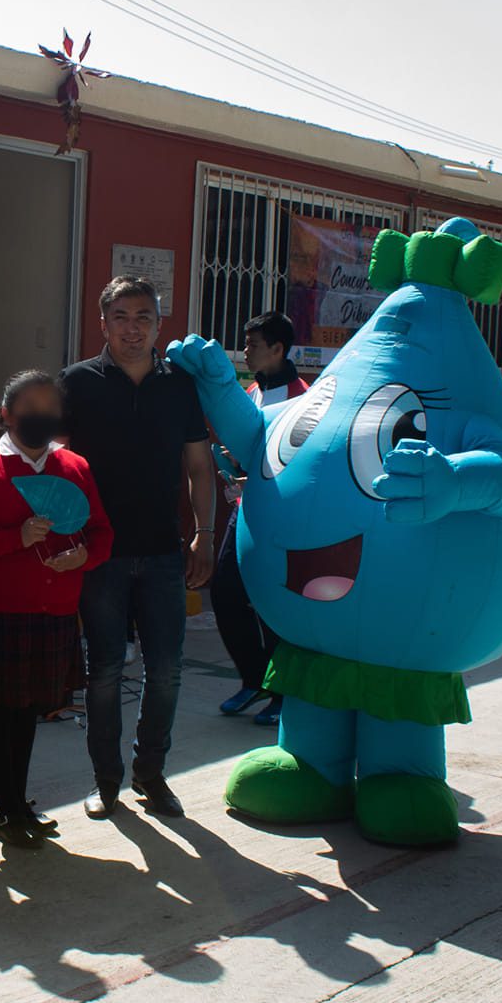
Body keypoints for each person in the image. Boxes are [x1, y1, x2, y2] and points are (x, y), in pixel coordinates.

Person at [62, 277, 215, 820]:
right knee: (103, 669)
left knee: (167, 667)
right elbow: (50, 462)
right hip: (98, 554)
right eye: (122, 316)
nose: (133, 327)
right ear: (103, 323)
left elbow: (199, 467)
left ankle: (151, 774)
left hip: (162, 551)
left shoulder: (179, 386)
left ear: (158, 325)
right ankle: (105, 783)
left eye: (143, 317)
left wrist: (203, 533)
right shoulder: (75, 383)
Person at [0, 370, 112, 847]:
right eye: (29, 408)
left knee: (29, 714)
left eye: (49, 408)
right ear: (6, 414)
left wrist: (85, 555)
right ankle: (6, 806)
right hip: (2, 612)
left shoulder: (75, 467)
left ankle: (17, 802)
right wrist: (13, 538)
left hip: (56, 612)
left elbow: (101, 531)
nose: (40, 417)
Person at [211, 312, 309, 729]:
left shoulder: (305, 397)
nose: (245, 350)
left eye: (253, 344)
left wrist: (263, 477)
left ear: (278, 349)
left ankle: (284, 693)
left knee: (273, 605)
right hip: (243, 512)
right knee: (224, 591)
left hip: (284, 518)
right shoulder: (250, 391)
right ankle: (255, 680)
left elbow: (307, 462)